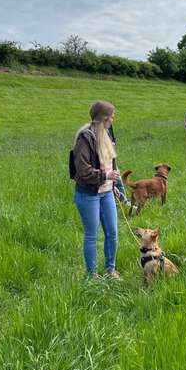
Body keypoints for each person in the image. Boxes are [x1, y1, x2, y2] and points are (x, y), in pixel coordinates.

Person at [73, 101, 121, 279]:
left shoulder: (107, 134)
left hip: (107, 193)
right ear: (104, 118)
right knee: (92, 236)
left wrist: (114, 186)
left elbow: (111, 165)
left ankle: (110, 270)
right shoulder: (85, 138)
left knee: (112, 233)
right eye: (112, 116)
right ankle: (92, 274)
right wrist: (105, 177)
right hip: (88, 195)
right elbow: (83, 170)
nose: (113, 119)